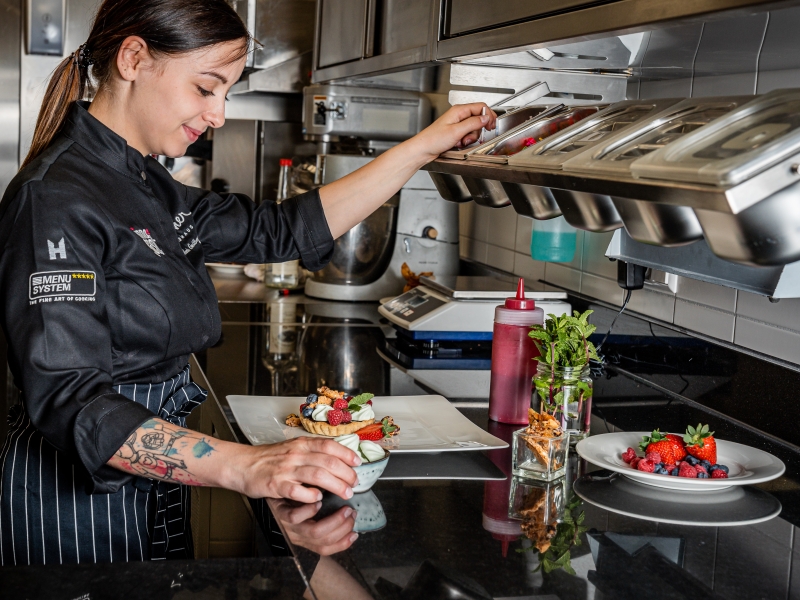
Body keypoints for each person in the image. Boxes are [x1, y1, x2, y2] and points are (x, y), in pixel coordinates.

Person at [0, 0, 496, 566]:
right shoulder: (56, 199)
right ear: (134, 58)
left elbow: (281, 230)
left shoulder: (146, 179)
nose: (218, 114)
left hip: (152, 484)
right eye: (207, 88)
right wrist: (247, 466)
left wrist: (421, 150)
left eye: (227, 92)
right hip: (72, 513)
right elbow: (73, 401)